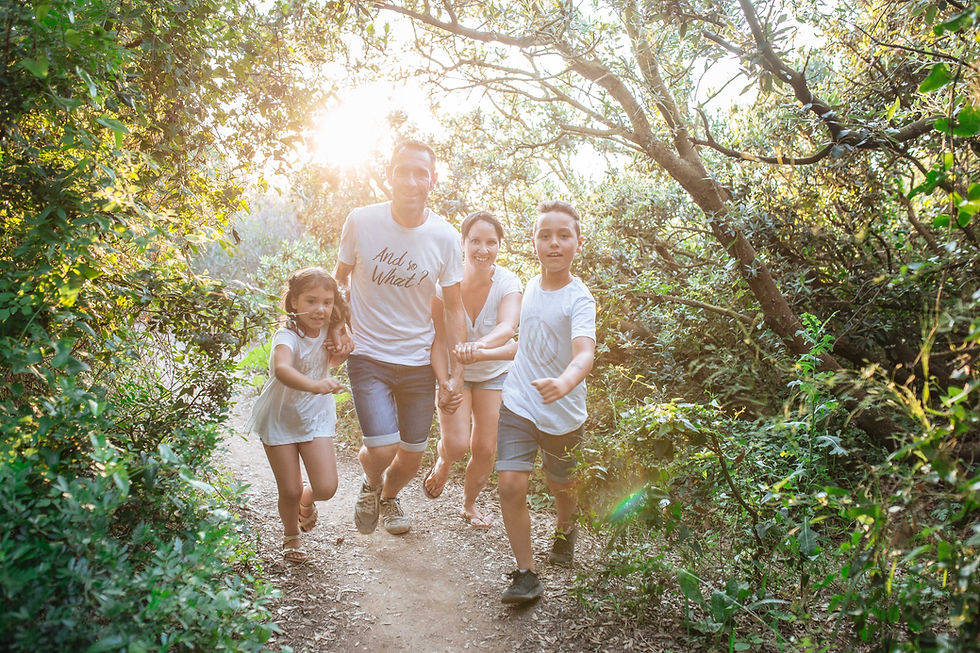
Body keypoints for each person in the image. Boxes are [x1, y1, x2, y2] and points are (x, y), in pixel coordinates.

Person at [333, 140, 466, 536]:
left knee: (411, 457)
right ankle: (371, 484)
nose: (412, 180)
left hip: (418, 361)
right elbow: (339, 280)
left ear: (433, 180)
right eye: (403, 170)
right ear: (388, 174)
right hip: (368, 353)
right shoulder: (361, 221)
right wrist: (339, 324)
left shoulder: (444, 236)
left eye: (421, 172)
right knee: (382, 448)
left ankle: (386, 496)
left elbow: (455, 307)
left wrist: (455, 370)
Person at [495, 200, 596, 604]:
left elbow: (584, 352)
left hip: (563, 412)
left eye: (563, 235)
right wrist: (483, 352)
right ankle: (526, 574)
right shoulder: (529, 288)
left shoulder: (580, 298)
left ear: (578, 243)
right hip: (518, 401)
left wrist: (565, 381)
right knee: (509, 485)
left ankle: (566, 527)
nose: (554, 243)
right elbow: (525, 347)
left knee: (562, 485)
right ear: (534, 242)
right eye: (544, 235)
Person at [423, 211, 522, 529]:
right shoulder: (445, 285)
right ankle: (443, 459)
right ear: (463, 243)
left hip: (495, 372)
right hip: (455, 374)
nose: (483, 249)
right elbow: (437, 340)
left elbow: (508, 326)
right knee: (457, 444)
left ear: (499, 246)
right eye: (475, 241)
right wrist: (443, 380)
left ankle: (469, 505)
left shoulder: (508, 283)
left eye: (491, 243)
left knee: (484, 447)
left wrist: (478, 348)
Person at [248, 266, 351, 563]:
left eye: (327, 302)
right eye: (311, 301)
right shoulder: (286, 335)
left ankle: (309, 500)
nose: (321, 309)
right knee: (289, 489)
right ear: (294, 301)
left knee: (326, 487)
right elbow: (282, 369)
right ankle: (291, 534)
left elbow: (333, 359)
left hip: (314, 415)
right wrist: (316, 385)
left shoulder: (330, 328)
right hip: (280, 416)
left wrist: (342, 346)